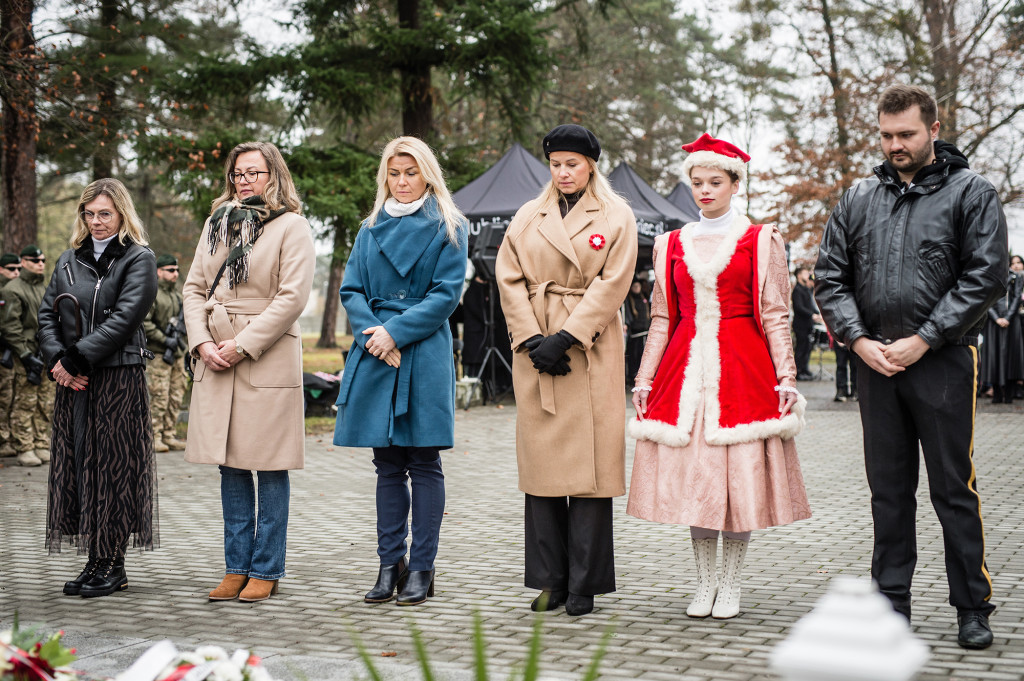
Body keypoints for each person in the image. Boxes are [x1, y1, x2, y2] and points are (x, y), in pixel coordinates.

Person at [814, 84, 1006, 649]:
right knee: (889, 492)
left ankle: (972, 607)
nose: (895, 144)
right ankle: (889, 606)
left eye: (906, 134)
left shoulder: (972, 192)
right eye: (886, 135)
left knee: (953, 489)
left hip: (943, 362)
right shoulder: (857, 198)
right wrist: (856, 340)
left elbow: (986, 276)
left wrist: (925, 338)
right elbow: (830, 277)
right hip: (876, 365)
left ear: (933, 129)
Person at [627, 133, 811, 620]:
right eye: (697, 182)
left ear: (735, 183)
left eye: (715, 182)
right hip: (685, 372)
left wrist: (787, 377)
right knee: (700, 482)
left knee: (738, 484)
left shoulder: (761, 240)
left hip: (742, 372)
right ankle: (704, 582)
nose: (704, 190)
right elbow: (662, 318)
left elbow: (775, 314)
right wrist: (644, 379)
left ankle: (730, 583)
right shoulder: (670, 244)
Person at [496, 124, 638, 616]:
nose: (562, 173)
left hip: (589, 350)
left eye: (572, 164)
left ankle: (585, 583)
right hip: (535, 349)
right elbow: (508, 277)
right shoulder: (527, 215)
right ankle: (550, 580)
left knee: (590, 474)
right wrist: (531, 338)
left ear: (591, 165)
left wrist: (568, 337)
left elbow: (613, 283)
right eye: (555, 164)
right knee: (542, 469)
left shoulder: (616, 215)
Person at [334, 137, 467, 607]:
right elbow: (352, 290)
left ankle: (422, 568)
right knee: (387, 465)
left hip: (422, 350)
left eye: (411, 173)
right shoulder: (369, 228)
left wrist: (395, 333)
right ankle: (390, 565)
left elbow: (445, 294)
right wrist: (374, 335)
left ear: (427, 175)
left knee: (424, 461)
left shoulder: (450, 226)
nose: (403, 181)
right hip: (375, 349)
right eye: (394, 173)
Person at [183, 141, 315, 603]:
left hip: (266, 353)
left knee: (270, 466)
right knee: (231, 465)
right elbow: (194, 289)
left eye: (253, 173)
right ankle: (235, 566)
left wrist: (243, 345)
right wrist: (201, 342)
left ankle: (266, 568)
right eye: (238, 174)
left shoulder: (292, 226)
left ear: (273, 175)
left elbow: (292, 297)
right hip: (215, 351)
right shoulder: (216, 223)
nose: (244, 181)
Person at [37, 178, 159, 598]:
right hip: (74, 381)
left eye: (105, 213)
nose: (96, 221)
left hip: (118, 377)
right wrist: (58, 363)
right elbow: (46, 316)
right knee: (81, 467)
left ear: (122, 213)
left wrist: (75, 359)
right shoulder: (68, 260)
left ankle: (113, 564)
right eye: (89, 214)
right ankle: (95, 560)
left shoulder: (138, 258)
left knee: (114, 469)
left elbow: (124, 319)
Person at [1, 245, 55, 467]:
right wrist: (24, 354)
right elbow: (10, 327)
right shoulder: (12, 289)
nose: (40, 264)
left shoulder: (43, 287)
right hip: (26, 354)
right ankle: (24, 446)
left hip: (45, 352)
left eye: (42, 260)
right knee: (25, 401)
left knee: (45, 401)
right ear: (23, 262)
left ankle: (40, 442)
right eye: (35, 260)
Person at [144, 254, 188, 451]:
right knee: (159, 396)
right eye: (171, 270)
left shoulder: (177, 296)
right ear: (159, 272)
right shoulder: (152, 294)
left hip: (176, 354)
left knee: (175, 395)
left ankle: (169, 434)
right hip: (159, 355)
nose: (175, 274)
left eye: (176, 270)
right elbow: (145, 323)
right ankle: (154, 436)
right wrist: (164, 339)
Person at [979, 254, 1024, 404]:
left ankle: (1009, 393)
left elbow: (1017, 298)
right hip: (994, 322)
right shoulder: (989, 276)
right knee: (994, 355)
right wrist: (996, 318)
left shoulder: (1016, 277)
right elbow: (987, 299)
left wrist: (1008, 317)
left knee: (1011, 355)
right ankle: (997, 393)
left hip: (1011, 321)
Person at [0, 252, 21, 459]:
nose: (16, 273)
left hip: (12, 352)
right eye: (11, 269)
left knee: (11, 396)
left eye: (19, 269)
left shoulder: (17, 289)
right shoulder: (4, 291)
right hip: (5, 351)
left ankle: (9, 438)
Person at [791, 266, 819, 381]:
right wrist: (811, 315)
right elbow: (799, 307)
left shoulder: (806, 289)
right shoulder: (797, 290)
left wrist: (817, 313)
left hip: (808, 324)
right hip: (800, 325)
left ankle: (805, 369)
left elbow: (811, 305)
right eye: (805, 273)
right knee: (800, 348)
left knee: (807, 348)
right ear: (799, 275)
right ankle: (798, 372)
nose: (807, 275)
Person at [623, 277, 651, 384]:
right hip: (634, 333)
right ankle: (632, 375)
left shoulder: (643, 298)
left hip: (644, 332)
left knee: (642, 355)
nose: (637, 288)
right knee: (633, 356)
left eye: (638, 286)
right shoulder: (629, 300)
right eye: (634, 286)